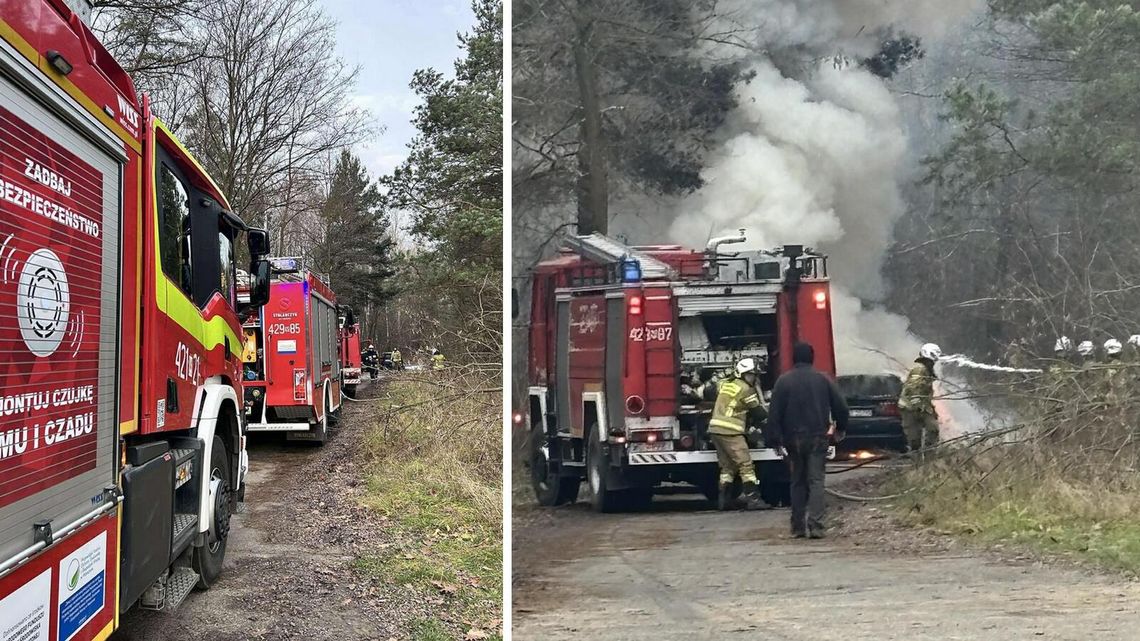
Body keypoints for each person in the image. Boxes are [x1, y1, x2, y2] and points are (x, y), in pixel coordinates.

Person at [767, 342, 849, 539]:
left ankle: (797, 528)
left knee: (797, 482)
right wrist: (841, 428)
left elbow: (774, 413)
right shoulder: (823, 379)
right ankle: (817, 527)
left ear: (793, 358)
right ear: (812, 358)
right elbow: (841, 407)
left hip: (793, 440)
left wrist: (775, 440)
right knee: (816, 481)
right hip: (817, 438)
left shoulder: (783, 381)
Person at [707, 357, 771, 511]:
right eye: (752, 375)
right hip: (731, 432)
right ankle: (754, 500)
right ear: (743, 374)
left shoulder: (725, 384)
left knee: (727, 467)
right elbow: (759, 414)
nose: (754, 378)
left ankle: (724, 501)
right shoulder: (746, 389)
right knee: (745, 465)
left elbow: (709, 391)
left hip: (715, 430)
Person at [898, 343, 941, 457]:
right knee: (914, 439)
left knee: (933, 428)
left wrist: (930, 410)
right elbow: (913, 387)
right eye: (934, 356)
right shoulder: (919, 369)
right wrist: (917, 403)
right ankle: (916, 463)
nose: (935, 360)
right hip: (910, 408)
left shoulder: (926, 369)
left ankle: (929, 458)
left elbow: (924, 393)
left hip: (922, 406)